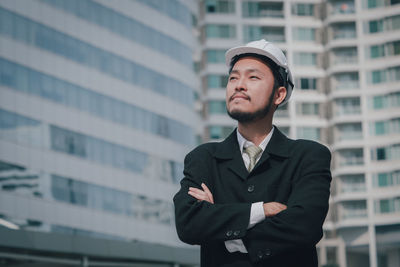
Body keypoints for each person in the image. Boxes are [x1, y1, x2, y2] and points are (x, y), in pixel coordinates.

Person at [173, 39, 332, 267]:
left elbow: (304, 226)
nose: (238, 85)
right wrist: (261, 210)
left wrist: (224, 226)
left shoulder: (308, 156)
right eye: (233, 77)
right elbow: (188, 224)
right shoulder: (204, 158)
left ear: (279, 95)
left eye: (253, 77)